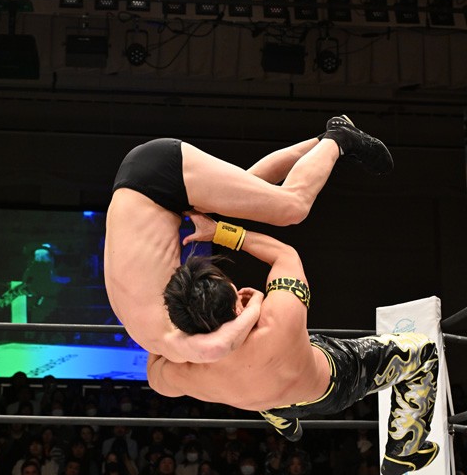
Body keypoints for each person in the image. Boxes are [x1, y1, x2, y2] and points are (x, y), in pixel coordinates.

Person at [149, 209, 439, 475]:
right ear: (237, 303)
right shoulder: (277, 318)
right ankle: (403, 451)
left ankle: (286, 425)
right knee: (423, 351)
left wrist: (168, 330)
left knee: (269, 391)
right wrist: (217, 232)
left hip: (269, 403)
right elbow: (284, 255)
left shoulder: (187, 373)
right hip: (332, 383)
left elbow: (154, 363)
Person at [105, 118, 393, 364]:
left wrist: (254, 305)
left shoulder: (169, 338)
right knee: (251, 188)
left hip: (158, 179)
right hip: (148, 182)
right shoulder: (154, 334)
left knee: (292, 207)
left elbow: (219, 347)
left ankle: (340, 138)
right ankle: (322, 142)